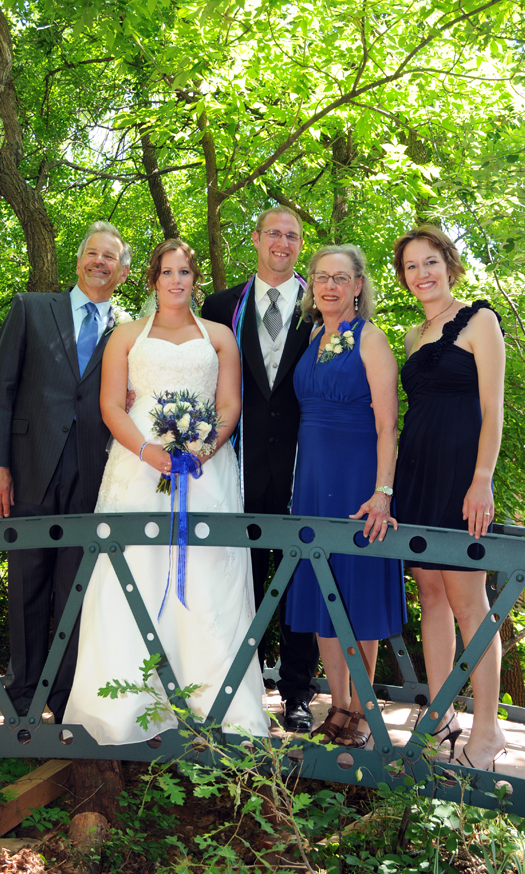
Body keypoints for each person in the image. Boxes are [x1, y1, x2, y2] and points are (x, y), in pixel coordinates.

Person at [63, 239, 270, 743]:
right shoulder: (126, 336)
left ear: (195, 280)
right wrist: (147, 452)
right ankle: (127, 704)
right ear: (153, 279)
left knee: (207, 573)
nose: (176, 281)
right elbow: (111, 406)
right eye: (167, 272)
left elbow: (229, 406)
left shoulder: (219, 335)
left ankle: (211, 702)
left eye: (185, 272)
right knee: (132, 569)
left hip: (205, 470)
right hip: (138, 467)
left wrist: (204, 449)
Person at [0, 221, 131, 722]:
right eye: (94, 253)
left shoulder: (128, 331)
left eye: (111, 257)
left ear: (124, 273)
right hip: (29, 465)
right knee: (27, 578)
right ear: (80, 259)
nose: (100, 262)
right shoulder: (31, 309)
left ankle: (63, 697)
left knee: (75, 585)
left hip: (94, 468)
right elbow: (1, 391)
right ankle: (23, 695)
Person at [392, 224, 506, 771]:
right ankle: (439, 714)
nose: (422, 274)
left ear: (449, 263)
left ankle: (488, 729)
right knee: (431, 598)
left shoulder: (480, 319)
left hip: (462, 476)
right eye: (411, 267)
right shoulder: (413, 338)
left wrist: (482, 477)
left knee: (470, 603)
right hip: (417, 474)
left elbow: (493, 408)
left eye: (429, 262)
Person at [202, 207, 320, 733]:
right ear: (254, 239)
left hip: (303, 465)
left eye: (292, 236)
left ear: (300, 245)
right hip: (239, 466)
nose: (282, 242)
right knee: (241, 582)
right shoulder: (221, 306)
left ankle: (297, 693)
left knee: (300, 581)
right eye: (273, 232)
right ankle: (241, 689)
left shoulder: (324, 306)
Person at [285, 245, 406, 748]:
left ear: (358, 286)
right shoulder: (313, 337)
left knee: (356, 592)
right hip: (312, 482)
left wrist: (382, 493)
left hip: (357, 480)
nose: (329, 286)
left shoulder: (370, 340)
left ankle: (360, 710)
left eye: (340, 277)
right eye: (321, 277)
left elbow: (388, 424)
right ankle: (335, 706)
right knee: (320, 593)